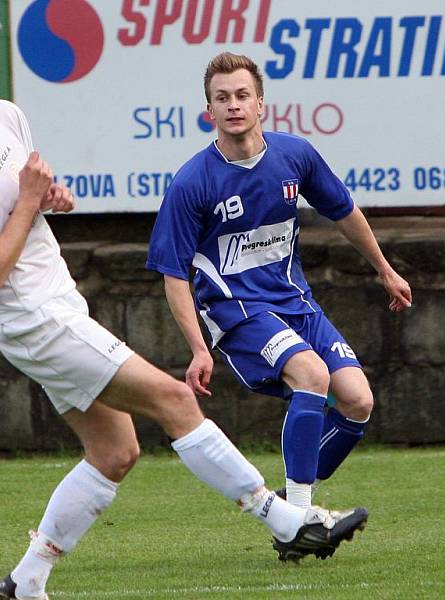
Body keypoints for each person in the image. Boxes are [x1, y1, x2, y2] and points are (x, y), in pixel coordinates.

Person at [0, 45, 368, 600]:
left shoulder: (7, 117)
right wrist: (30, 202)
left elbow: (26, 202)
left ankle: (26, 581)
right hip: (33, 320)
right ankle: (287, 520)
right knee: (175, 400)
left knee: (115, 453)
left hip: (60, 305)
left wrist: (49, 198)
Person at [147, 52, 413, 511]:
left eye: (242, 95)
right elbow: (174, 275)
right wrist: (197, 347)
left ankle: (288, 504)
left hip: (295, 303)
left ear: (261, 104)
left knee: (357, 400)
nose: (233, 105)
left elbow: (343, 212)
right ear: (209, 111)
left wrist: (385, 269)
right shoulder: (192, 182)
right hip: (236, 311)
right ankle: (302, 518)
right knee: (312, 374)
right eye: (222, 98)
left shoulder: (295, 155)